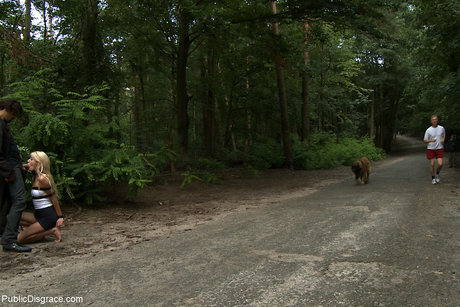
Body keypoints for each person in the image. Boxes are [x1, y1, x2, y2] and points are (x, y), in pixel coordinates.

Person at [0, 98, 32, 252]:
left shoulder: (3, 125)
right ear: (6, 108)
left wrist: (20, 166)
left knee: (7, 202)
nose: (14, 118)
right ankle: (9, 239)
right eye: (13, 114)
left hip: (13, 167)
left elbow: (8, 150)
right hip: (9, 169)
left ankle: (5, 234)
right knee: (19, 201)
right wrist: (9, 171)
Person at [18, 151, 63, 243]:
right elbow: (26, 166)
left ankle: (51, 231)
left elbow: (53, 198)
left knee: (18, 239)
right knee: (10, 217)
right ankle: (37, 231)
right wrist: (22, 166)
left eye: (31, 159)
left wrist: (60, 217)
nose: (28, 161)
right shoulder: (35, 175)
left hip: (47, 217)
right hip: (38, 215)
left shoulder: (42, 179)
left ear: (38, 162)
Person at [423, 115, 445, 184]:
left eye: (435, 119)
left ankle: (437, 174)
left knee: (440, 164)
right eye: (433, 120)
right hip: (431, 148)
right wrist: (431, 140)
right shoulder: (428, 130)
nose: (434, 121)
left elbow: (443, 135)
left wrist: (443, 139)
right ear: (431, 121)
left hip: (439, 148)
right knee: (432, 164)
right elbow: (425, 140)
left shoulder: (441, 128)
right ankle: (433, 178)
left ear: (437, 120)